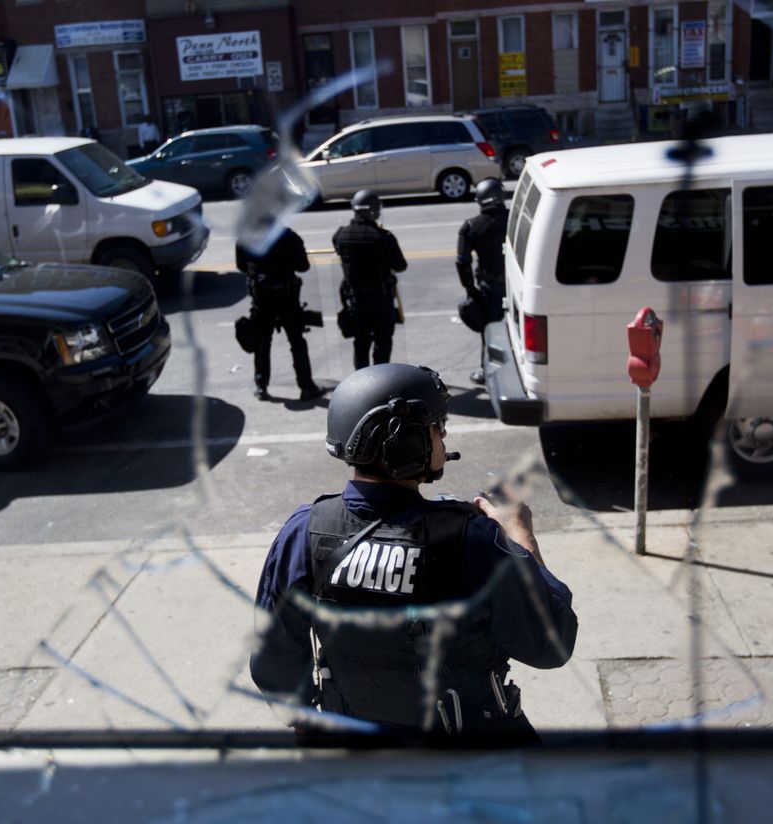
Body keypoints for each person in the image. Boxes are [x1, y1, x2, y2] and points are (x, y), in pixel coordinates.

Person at [250, 364, 578, 745]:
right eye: (437, 427)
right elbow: (551, 644)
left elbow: (272, 658)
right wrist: (523, 542)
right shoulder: (474, 539)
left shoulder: (303, 531)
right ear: (407, 444)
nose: (443, 436)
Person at [235, 228, 324, 401]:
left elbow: (242, 266)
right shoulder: (289, 236)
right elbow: (303, 266)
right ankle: (306, 387)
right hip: (287, 298)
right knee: (297, 342)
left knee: (262, 343)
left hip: (262, 299)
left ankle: (261, 386)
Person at [333, 190, 408, 369]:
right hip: (380, 300)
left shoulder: (341, 235)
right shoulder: (384, 237)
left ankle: (362, 385)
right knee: (382, 343)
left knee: (361, 343)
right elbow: (400, 265)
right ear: (373, 211)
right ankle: (380, 385)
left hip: (356, 300)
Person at [456, 178, 509, 385]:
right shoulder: (516, 218)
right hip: (517, 284)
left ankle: (488, 372)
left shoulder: (471, 226)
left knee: (490, 332)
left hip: (490, 287)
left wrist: (471, 290)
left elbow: (462, 262)